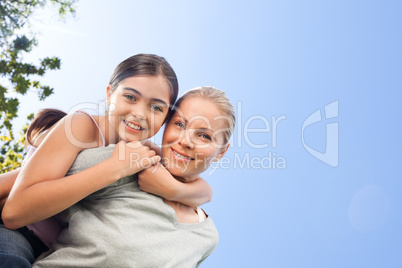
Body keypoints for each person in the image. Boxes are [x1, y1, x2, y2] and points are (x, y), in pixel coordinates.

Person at [1, 54, 213, 266]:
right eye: (131, 97)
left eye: (156, 108)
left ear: (165, 119)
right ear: (110, 94)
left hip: (53, 251)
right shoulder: (81, 127)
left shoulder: (140, 152)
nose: (140, 113)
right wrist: (114, 169)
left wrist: (175, 190)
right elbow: (14, 212)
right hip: (19, 232)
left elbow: (203, 190)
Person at [29, 86, 235, 267]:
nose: (186, 141)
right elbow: (25, 184)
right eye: (180, 124)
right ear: (166, 125)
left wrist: (177, 190)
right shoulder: (129, 160)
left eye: (204, 136)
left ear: (221, 152)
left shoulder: (207, 236)